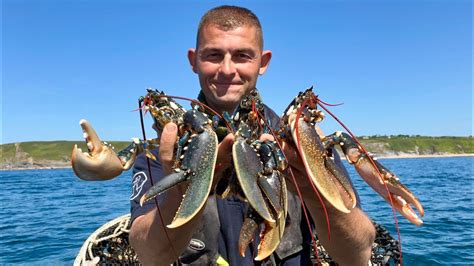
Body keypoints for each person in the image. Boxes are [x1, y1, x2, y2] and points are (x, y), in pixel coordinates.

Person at [129, 5, 375, 265]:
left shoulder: (295, 140)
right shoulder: (164, 147)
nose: (226, 69)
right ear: (193, 60)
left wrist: (312, 190)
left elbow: (357, 257)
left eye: (242, 56)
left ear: (263, 62)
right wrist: (180, 191)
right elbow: (150, 256)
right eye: (213, 55)